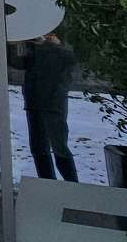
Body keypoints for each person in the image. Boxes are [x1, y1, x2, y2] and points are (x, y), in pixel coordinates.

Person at [12, 31, 80, 182]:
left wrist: (48, 44)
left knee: (59, 147)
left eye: (51, 34)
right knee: (38, 148)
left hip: (53, 104)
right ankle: (47, 183)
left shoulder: (61, 52)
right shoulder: (35, 52)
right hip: (34, 103)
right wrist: (11, 44)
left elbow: (70, 59)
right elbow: (16, 62)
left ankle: (72, 185)